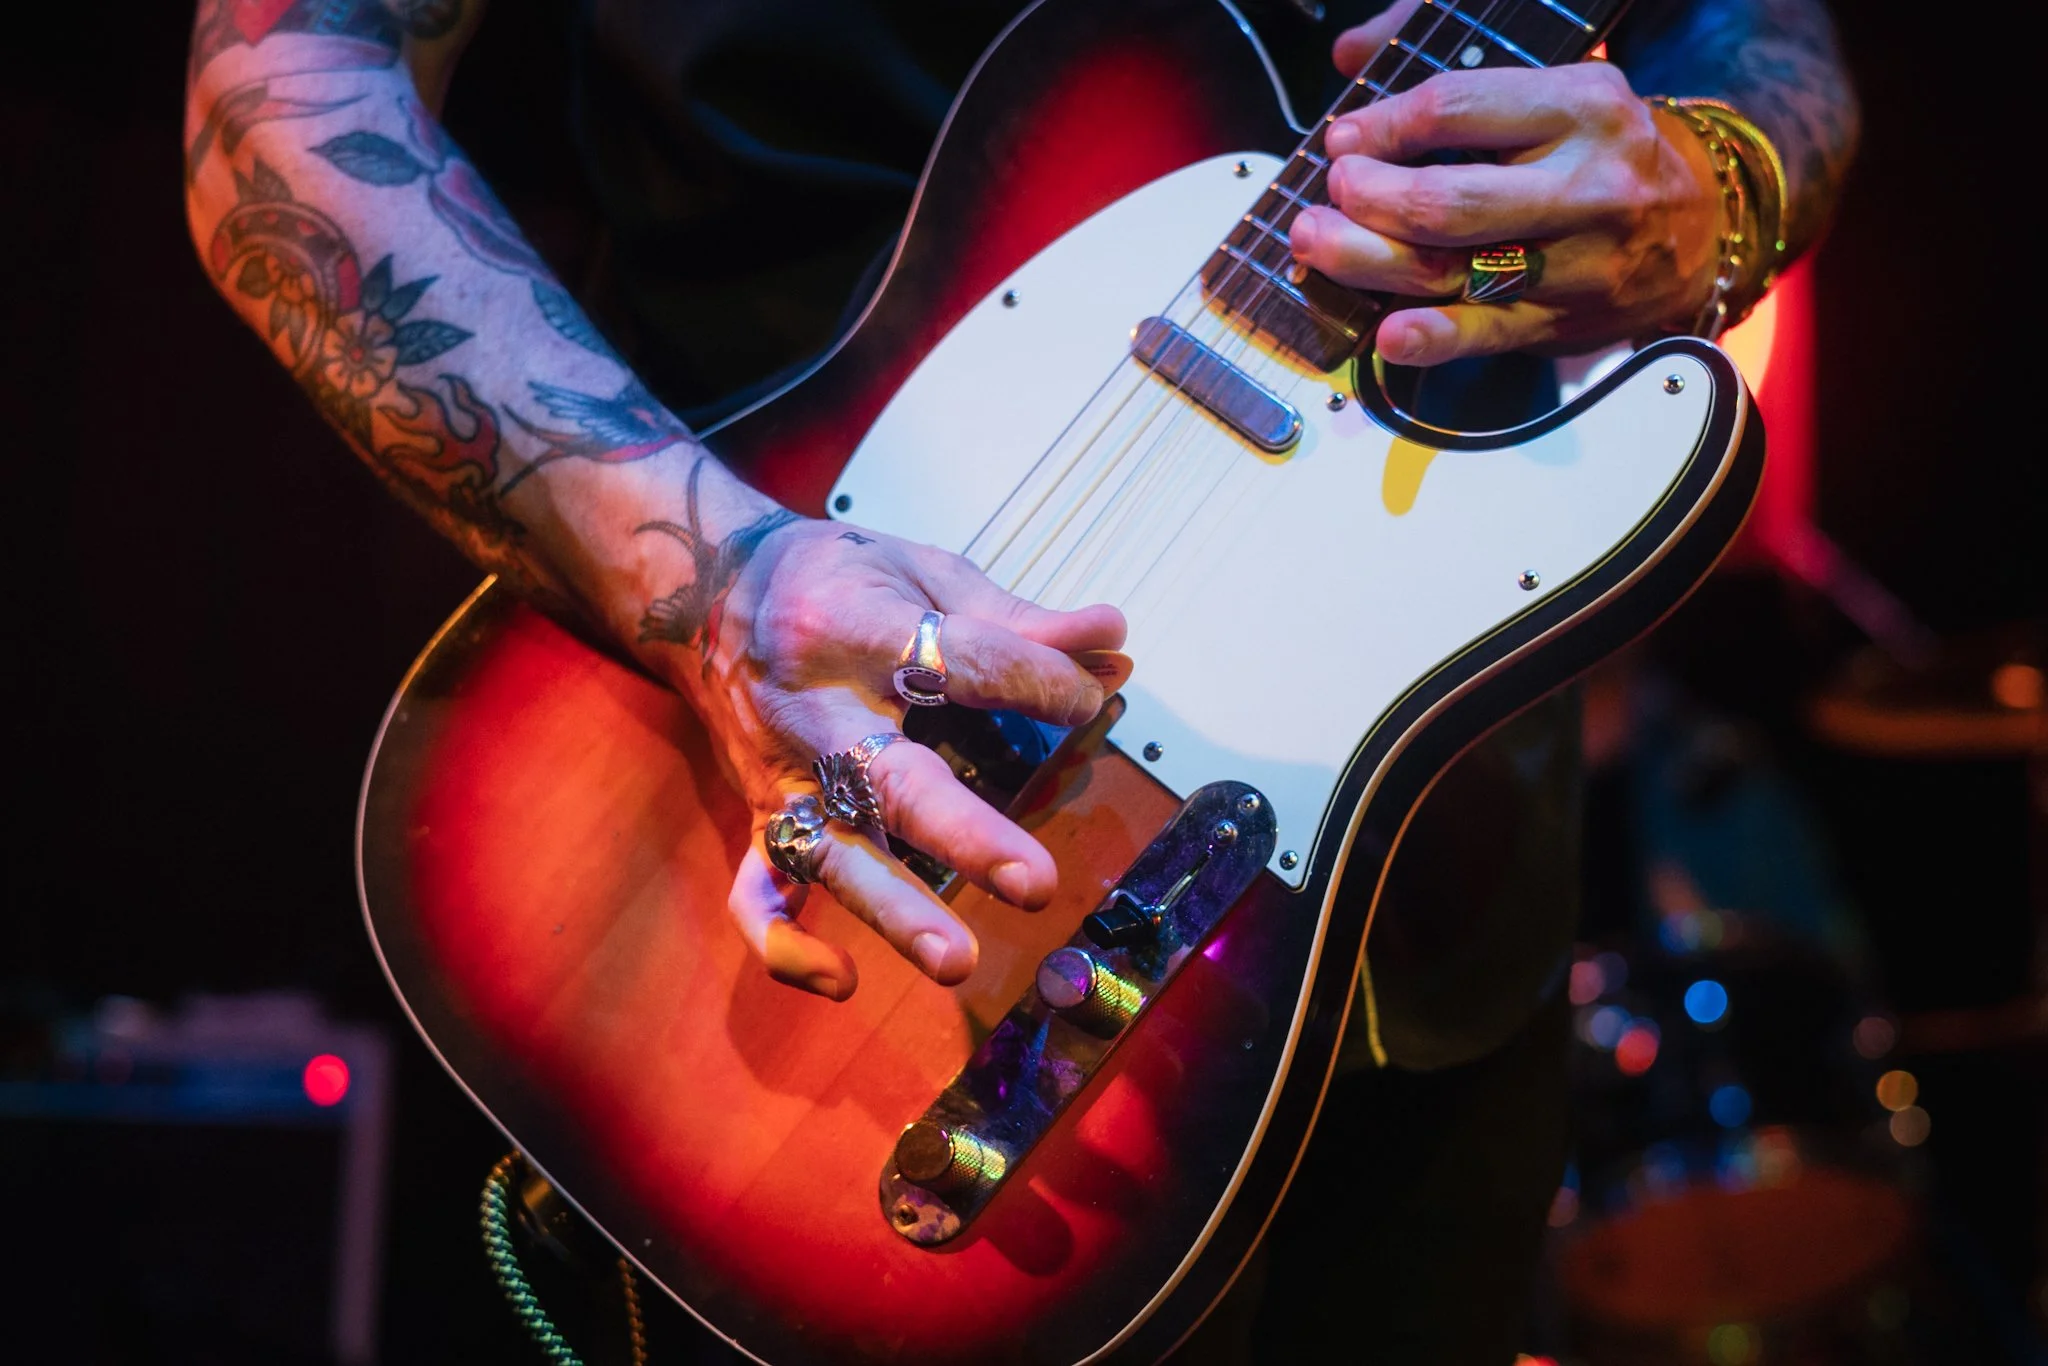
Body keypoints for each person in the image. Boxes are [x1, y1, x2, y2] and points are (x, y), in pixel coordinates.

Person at [183, 0, 1858, 1359]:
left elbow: (1760, 34)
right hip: (751, 789)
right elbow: (289, 66)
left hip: (1431, 885)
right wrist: (714, 583)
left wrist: (1720, 183)